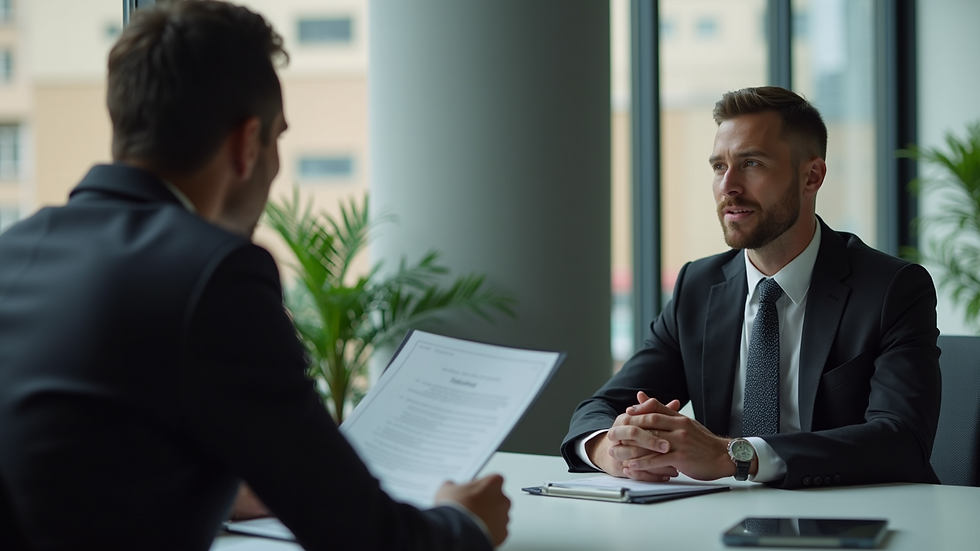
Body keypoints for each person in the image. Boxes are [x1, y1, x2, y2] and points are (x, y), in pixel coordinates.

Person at [0, 2, 508, 550]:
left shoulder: (16, 248)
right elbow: (365, 537)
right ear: (247, 145)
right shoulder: (213, 273)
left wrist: (219, 485)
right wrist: (464, 523)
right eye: (278, 139)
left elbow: (69, 470)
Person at [562, 86, 942, 490]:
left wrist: (734, 456)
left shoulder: (892, 289)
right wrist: (611, 449)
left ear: (811, 176)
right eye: (718, 166)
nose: (729, 186)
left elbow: (901, 439)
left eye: (752, 163)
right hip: (728, 520)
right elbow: (602, 406)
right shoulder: (697, 286)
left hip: (862, 518)